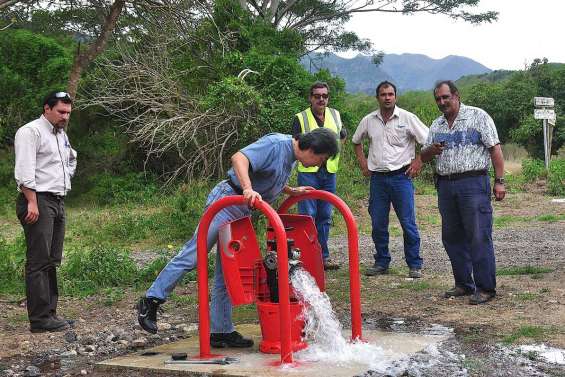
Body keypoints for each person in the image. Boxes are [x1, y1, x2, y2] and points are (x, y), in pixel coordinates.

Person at [137, 128, 338, 347]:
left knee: (227, 274)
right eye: (320, 159)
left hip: (241, 211)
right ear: (312, 148)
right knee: (194, 255)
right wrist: (248, 189)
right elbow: (239, 158)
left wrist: (291, 191)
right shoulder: (276, 145)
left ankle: (221, 331)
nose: (318, 165)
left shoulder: (291, 156)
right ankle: (151, 300)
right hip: (225, 202)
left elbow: (270, 177)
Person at [421, 80, 505, 305]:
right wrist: (430, 150)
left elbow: (494, 148)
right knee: (451, 237)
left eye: (445, 97)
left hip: (473, 182)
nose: (442, 102)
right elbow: (424, 155)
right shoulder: (437, 124)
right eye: (438, 99)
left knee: (478, 235)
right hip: (446, 185)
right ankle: (463, 284)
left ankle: (486, 288)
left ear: (456, 95)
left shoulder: (478, 116)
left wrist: (500, 181)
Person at [14, 91, 77, 333]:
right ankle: (40, 319)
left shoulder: (60, 134)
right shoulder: (31, 131)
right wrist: (32, 201)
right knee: (39, 261)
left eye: (68, 113)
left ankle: (50, 313)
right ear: (47, 108)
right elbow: (24, 169)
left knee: (51, 260)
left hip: (57, 199)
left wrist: (64, 181)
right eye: (61, 112)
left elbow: (70, 159)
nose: (65, 117)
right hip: (37, 199)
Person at [352, 81, 428, 278]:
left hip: (401, 177)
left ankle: (414, 264)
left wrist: (419, 161)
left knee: (408, 222)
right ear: (377, 97)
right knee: (378, 223)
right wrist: (363, 164)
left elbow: (428, 141)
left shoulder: (407, 118)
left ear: (396, 96)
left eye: (391, 94)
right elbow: (356, 141)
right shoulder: (369, 120)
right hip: (378, 179)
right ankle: (381, 262)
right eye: (383, 94)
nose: (387, 97)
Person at [292, 81, 347, 271]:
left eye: (324, 96)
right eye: (317, 96)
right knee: (308, 215)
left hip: (329, 172)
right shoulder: (301, 117)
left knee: (325, 215)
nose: (321, 99)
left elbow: (342, 137)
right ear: (310, 98)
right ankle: (306, 257)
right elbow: (296, 144)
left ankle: (323, 256)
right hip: (308, 173)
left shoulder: (335, 114)